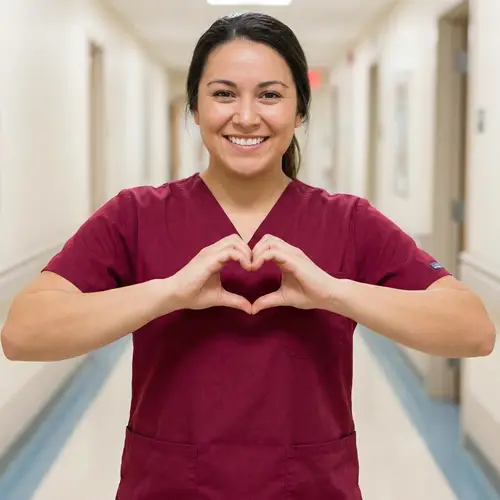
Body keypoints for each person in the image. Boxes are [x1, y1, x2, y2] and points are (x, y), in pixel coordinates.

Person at [1, 12, 495, 500]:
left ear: (301, 109)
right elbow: (23, 333)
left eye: (270, 94)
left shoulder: (348, 222)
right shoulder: (135, 216)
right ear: (194, 107)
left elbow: (472, 329)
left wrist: (335, 292)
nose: (245, 115)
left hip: (309, 487)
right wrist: (166, 292)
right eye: (222, 93)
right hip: (169, 486)